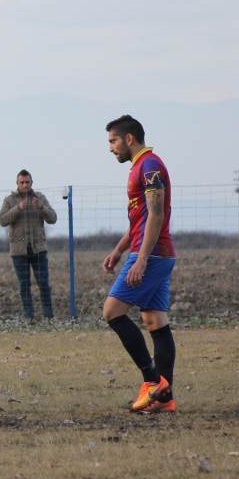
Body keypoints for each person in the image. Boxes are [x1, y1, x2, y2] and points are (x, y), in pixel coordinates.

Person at [100, 115, 177, 414]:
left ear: (129, 138)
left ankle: (152, 381)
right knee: (155, 321)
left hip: (152, 254)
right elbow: (139, 221)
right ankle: (164, 399)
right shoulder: (140, 167)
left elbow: (156, 215)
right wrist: (119, 249)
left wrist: (141, 259)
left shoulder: (150, 166)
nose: (110, 148)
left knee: (112, 312)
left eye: (113, 141)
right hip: (156, 253)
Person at [0, 170, 57, 321]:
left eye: (27, 182)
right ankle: (28, 316)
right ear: (17, 183)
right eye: (22, 182)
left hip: (38, 249)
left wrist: (41, 207)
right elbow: (2, 220)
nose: (25, 185)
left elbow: (53, 218)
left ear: (32, 183)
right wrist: (18, 208)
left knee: (43, 283)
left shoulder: (40, 198)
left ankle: (48, 316)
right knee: (24, 285)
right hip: (19, 251)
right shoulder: (9, 200)